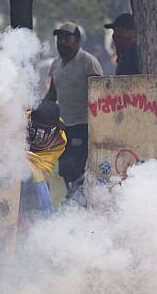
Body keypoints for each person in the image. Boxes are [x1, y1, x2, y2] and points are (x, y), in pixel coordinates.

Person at [44, 22, 103, 206]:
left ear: (76, 40)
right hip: (63, 125)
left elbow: (100, 92)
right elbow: (53, 93)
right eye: (59, 38)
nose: (61, 42)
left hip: (83, 124)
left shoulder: (88, 62)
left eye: (66, 38)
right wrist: (39, 109)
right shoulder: (55, 64)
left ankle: (76, 202)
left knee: (75, 165)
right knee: (64, 168)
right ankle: (75, 199)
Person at [19, 100, 67, 230]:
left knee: (38, 195)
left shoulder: (60, 139)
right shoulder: (18, 120)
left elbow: (44, 167)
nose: (40, 136)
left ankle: (39, 228)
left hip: (34, 173)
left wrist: (28, 163)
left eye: (45, 131)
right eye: (37, 129)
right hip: (11, 168)